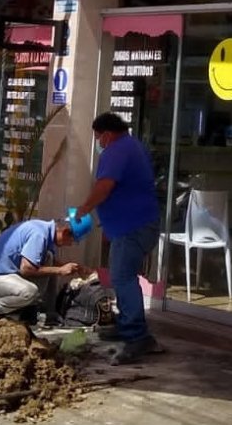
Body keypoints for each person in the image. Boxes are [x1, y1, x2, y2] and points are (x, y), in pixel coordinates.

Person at [75, 112, 162, 363]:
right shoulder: (133, 146)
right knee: (122, 276)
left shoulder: (116, 151)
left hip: (133, 227)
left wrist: (83, 209)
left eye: (98, 137)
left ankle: (137, 337)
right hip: (136, 225)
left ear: (107, 134)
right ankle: (126, 326)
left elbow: (105, 187)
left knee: (123, 277)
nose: (98, 142)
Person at [0, 214, 91, 320]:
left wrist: (76, 268)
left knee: (48, 258)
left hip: (4, 277)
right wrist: (60, 270)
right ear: (65, 232)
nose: (70, 244)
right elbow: (26, 269)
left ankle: (30, 308)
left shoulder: (44, 230)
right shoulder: (38, 235)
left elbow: (46, 262)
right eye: (72, 240)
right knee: (29, 292)